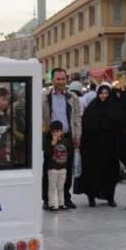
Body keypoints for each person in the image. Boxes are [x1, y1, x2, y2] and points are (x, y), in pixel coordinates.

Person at [42, 68, 82, 209]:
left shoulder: (73, 98)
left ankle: (65, 198)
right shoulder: (44, 97)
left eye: (63, 79)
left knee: (67, 169)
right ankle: (48, 200)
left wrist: (77, 136)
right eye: (58, 79)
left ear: (67, 80)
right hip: (50, 138)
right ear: (52, 80)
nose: (60, 82)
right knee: (49, 169)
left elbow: (77, 118)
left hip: (67, 137)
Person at [80, 85, 123, 207]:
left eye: (106, 93)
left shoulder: (114, 108)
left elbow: (119, 123)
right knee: (93, 172)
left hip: (110, 147)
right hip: (94, 148)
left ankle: (110, 197)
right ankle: (91, 197)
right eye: (101, 93)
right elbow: (87, 125)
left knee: (110, 172)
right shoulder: (92, 108)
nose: (103, 96)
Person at [44, 121, 69, 211]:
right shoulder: (49, 142)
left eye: (58, 131)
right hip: (53, 169)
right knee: (52, 187)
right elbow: (46, 154)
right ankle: (51, 204)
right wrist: (52, 144)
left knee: (61, 187)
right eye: (54, 132)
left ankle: (62, 203)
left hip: (63, 168)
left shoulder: (65, 141)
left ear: (62, 132)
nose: (56, 134)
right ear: (51, 133)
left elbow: (68, 153)